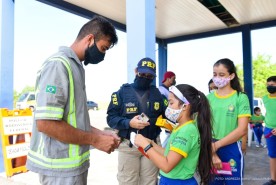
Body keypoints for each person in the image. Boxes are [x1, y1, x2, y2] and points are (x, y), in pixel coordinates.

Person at [26, 15, 120, 185]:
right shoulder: (58, 65)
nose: (103, 55)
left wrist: (101, 133)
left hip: (73, 168)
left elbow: (75, 120)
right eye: (103, 48)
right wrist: (96, 140)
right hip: (59, 170)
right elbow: (46, 123)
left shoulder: (76, 67)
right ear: (90, 39)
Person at [134, 84, 213, 185]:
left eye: (171, 103)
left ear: (185, 106)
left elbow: (167, 165)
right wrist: (152, 144)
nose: (168, 107)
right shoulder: (182, 126)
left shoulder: (186, 131)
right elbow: (169, 153)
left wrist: (146, 146)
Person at [106, 57, 167, 185]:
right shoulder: (122, 93)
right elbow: (111, 118)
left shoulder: (158, 94)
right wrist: (129, 123)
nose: (145, 77)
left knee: (150, 182)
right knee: (128, 181)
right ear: (136, 71)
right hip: (128, 146)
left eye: (149, 76)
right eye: (142, 74)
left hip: (152, 144)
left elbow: (167, 118)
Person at [207, 58, 251, 185]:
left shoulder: (240, 98)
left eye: (222, 75)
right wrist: (211, 150)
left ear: (231, 76)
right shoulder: (208, 98)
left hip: (231, 147)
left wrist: (216, 145)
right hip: (210, 146)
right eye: (215, 74)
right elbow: (203, 125)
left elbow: (242, 129)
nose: (217, 78)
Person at [262, 76, 276, 185]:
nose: (269, 87)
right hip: (269, 130)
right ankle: (273, 179)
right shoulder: (265, 98)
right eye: (268, 85)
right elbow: (268, 113)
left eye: (272, 85)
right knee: (272, 155)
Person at [158, 71, 176, 148]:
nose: (174, 80)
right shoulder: (161, 90)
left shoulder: (168, 90)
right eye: (173, 78)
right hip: (165, 117)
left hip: (169, 117)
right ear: (168, 79)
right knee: (171, 136)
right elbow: (165, 106)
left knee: (171, 136)